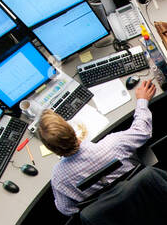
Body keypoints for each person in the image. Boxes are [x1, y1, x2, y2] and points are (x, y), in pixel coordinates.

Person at [42, 77, 157, 216]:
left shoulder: (58, 178)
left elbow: (67, 210)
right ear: (72, 130)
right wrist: (142, 101)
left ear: (52, 149)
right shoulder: (113, 144)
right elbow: (142, 131)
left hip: (112, 217)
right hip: (142, 193)